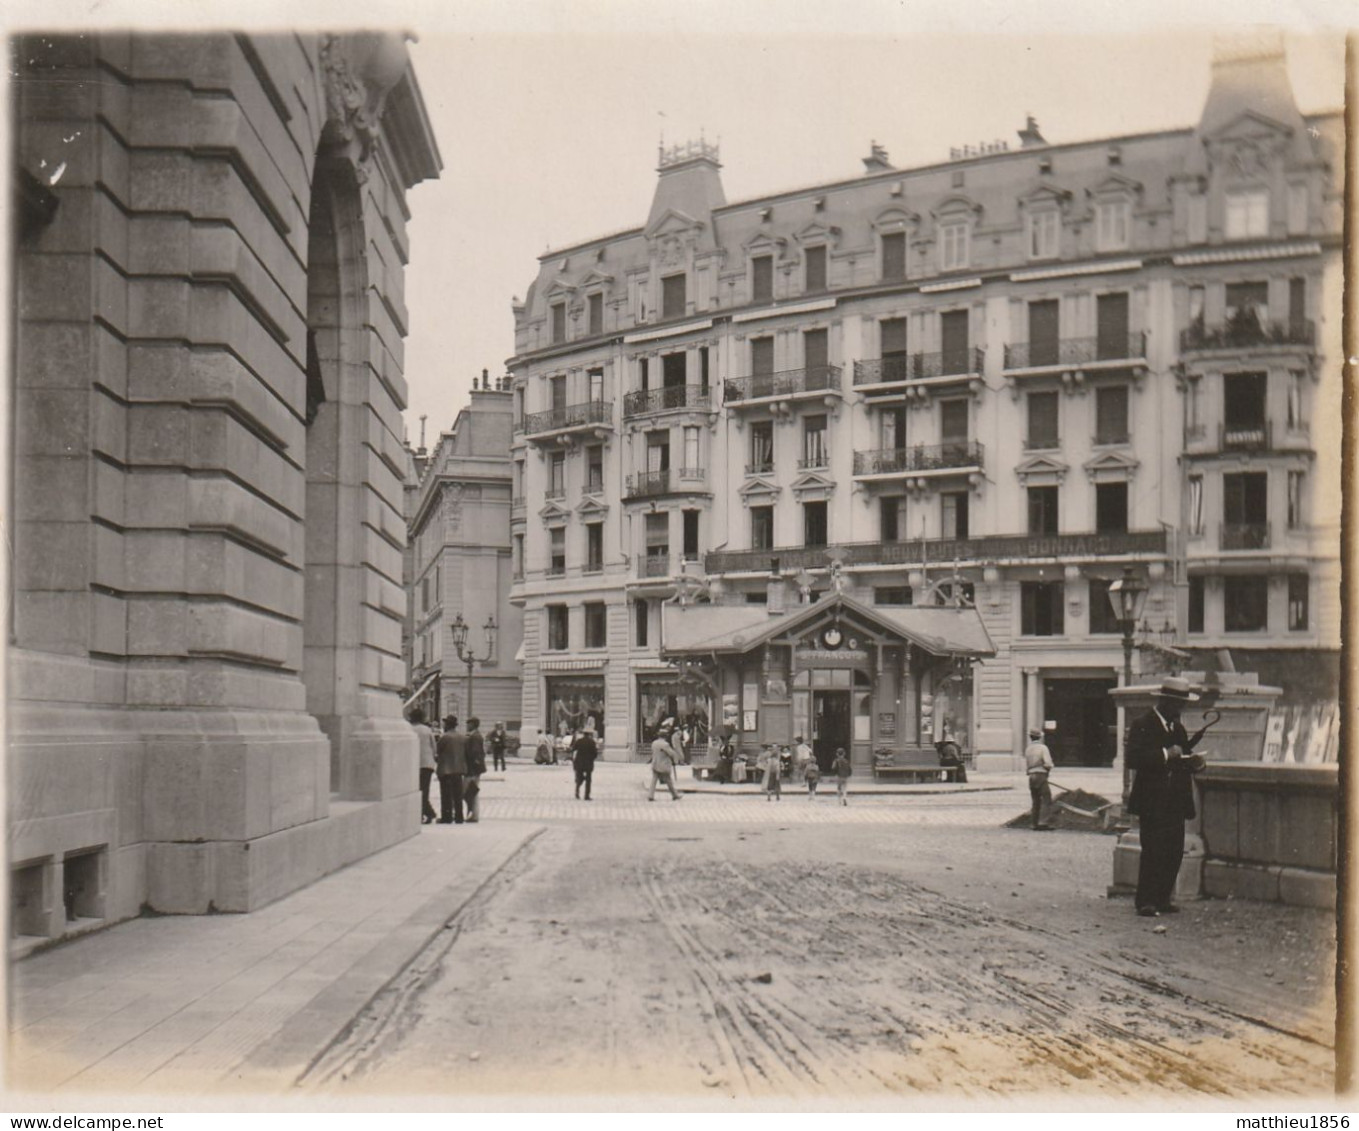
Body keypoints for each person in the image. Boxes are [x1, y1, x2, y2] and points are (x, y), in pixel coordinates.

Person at [1127, 677, 1209, 918]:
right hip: (1152, 800)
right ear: (1164, 701)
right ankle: (1146, 901)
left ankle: (1163, 898)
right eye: (1177, 704)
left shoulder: (1178, 728)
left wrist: (1195, 763)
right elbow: (1133, 758)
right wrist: (1165, 753)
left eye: (1182, 704)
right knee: (1152, 849)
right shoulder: (1142, 723)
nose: (1180, 709)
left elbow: (1184, 756)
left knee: (1173, 851)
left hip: (1175, 799)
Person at [435, 715, 467, 824]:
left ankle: (446, 817)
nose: (443, 725)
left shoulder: (445, 737)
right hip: (459, 769)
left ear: (448, 725)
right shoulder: (462, 737)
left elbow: (438, 751)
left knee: (446, 795)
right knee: (458, 795)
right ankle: (459, 816)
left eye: (445, 723)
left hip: (446, 769)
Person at [409, 708, 438, 824]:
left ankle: (424, 813)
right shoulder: (427, 730)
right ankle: (428, 813)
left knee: (415, 790)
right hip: (427, 764)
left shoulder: (409, 729)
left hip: (414, 764)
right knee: (425, 790)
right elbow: (434, 747)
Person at [1024, 727, 1055, 831]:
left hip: (1031, 776)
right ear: (1040, 737)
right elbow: (1048, 763)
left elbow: (1027, 764)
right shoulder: (1043, 748)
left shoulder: (1028, 749)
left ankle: (1034, 823)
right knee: (1047, 799)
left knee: (1035, 800)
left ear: (1030, 737)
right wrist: (1048, 770)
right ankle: (1043, 822)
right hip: (1041, 774)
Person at [648, 722, 682, 802]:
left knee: (654, 780)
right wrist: (675, 759)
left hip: (655, 764)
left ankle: (650, 795)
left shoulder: (654, 743)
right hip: (663, 766)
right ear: (665, 736)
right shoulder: (665, 744)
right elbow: (671, 753)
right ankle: (675, 795)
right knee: (669, 781)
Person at [464, 717, 487, 822]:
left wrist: (473, 767)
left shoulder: (475, 737)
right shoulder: (475, 735)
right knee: (472, 791)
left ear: (473, 724)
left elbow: (475, 753)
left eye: (468, 724)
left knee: (471, 791)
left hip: (473, 769)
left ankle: (474, 815)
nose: (467, 726)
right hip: (475, 769)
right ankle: (473, 814)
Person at [572, 727, 599, 800]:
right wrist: (592, 759)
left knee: (579, 778)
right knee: (588, 780)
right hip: (588, 763)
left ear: (583, 734)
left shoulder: (579, 741)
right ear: (589, 734)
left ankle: (577, 791)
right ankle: (586, 795)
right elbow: (595, 753)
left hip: (579, 763)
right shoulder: (592, 742)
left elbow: (573, 749)